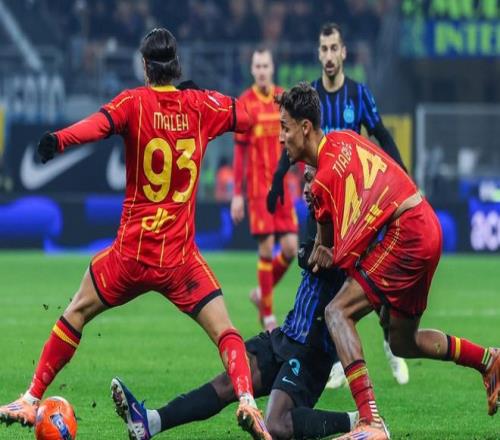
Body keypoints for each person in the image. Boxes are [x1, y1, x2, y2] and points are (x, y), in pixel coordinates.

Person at [0, 28, 271, 440]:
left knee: (76, 312)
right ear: (176, 65)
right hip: (180, 260)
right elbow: (249, 117)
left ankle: (31, 397)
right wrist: (222, 101)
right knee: (226, 332)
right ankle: (248, 399)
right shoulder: (202, 105)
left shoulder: (134, 103)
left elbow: (96, 126)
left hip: (131, 256)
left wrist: (58, 140)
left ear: (145, 67)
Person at [277, 82, 499, 439]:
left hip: (406, 233)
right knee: (402, 342)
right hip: (424, 221)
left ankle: (370, 421)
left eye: (284, 127)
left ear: (304, 128)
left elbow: (338, 256)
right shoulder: (342, 139)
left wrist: (322, 240)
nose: (280, 137)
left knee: (338, 313)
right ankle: (487, 359)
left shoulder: (324, 179)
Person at [110, 164, 359, 440]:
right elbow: (308, 256)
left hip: (313, 350)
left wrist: (318, 255)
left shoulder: (345, 221)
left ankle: (359, 421)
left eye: (310, 180)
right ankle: (151, 422)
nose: (305, 189)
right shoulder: (318, 215)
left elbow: (319, 261)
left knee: (277, 425)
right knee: (229, 382)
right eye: (305, 180)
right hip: (287, 335)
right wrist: (308, 253)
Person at [268, 22, 409, 389]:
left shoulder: (358, 94)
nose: (329, 55)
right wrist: (277, 180)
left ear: (344, 53)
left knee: (368, 276)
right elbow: (291, 142)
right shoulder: (310, 97)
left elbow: (381, 134)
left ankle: (389, 342)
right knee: (317, 270)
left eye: (334, 48)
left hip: (355, 208)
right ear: (319, 54)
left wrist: (404, 177)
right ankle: (332, 355)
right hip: (319, 201)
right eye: (324, 49)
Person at [231, 47, 298, 332]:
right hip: (258, 189)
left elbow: (295, 140)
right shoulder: (245, 103)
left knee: (291, 248)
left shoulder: (283, 99)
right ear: (252, 70)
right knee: (267, 247)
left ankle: (261, 293)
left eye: (265, 66)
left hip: (282, 188)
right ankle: (268, 316)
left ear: (272, 68)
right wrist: (237, 194)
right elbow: (239, 154)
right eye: (257, 66)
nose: (261, 71)